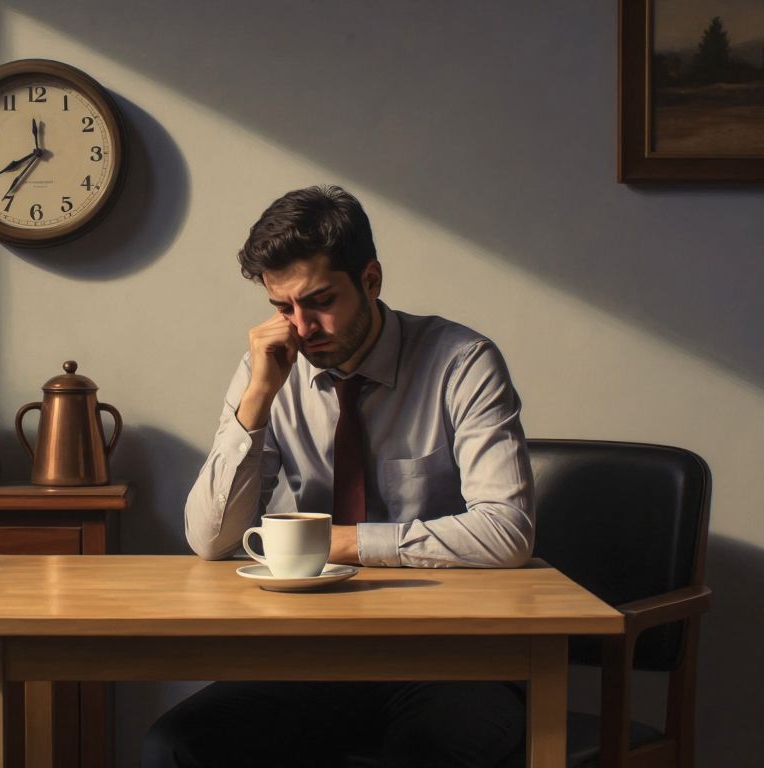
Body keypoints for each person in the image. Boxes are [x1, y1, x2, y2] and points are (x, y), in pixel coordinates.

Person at [142, 185, 535, 768]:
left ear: (371, 280)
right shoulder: (269, 372)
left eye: (319, 300)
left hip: (455, 661)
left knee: (424, 753)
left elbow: (507, 531)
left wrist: (335, 543)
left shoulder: (463, 363)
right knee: (174, 747)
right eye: (282, 308)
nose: (301, 328)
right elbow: (212, 540)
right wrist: (255, 403)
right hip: (317, 659)